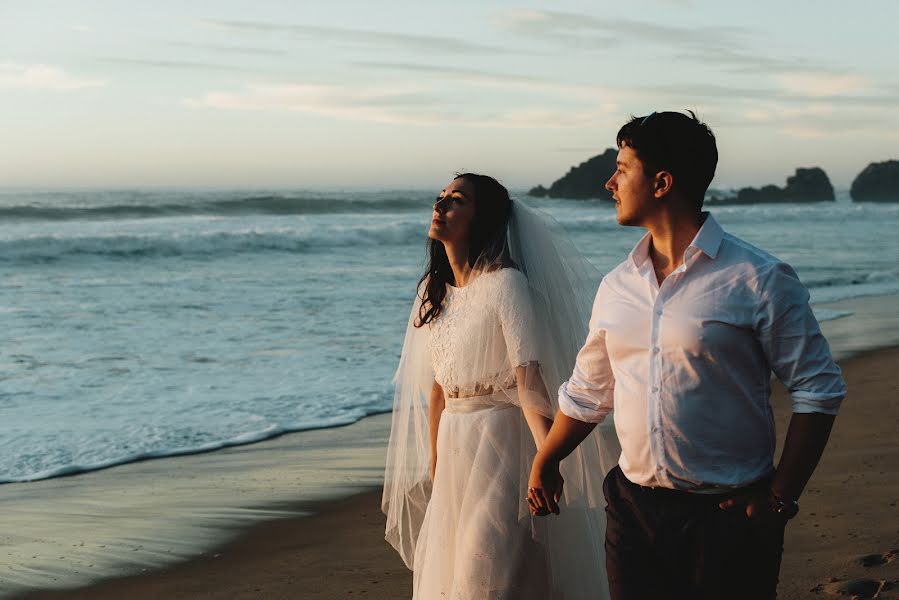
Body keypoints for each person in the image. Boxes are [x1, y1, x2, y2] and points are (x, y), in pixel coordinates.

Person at [528, 111, 847, 600]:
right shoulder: (617, 286)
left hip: (727, 517)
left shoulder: (758, 278)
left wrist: (780, 499)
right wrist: (546, 460)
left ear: (661, 182)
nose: (609, 182)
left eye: (622, 168)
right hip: (631, 508)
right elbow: (591, 390)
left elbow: (818, 389)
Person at [383, 173, 618, 599]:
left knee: (487, 572)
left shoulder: (506, 284)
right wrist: (436, 459)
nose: (440, 206)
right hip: (455, 445)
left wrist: (547, 461)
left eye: (456, 200)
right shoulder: (432, 292)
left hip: (502, 443)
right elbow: (438, 389)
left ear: (483, 217)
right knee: (458, 572)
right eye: (440, 197)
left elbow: (529, 383)